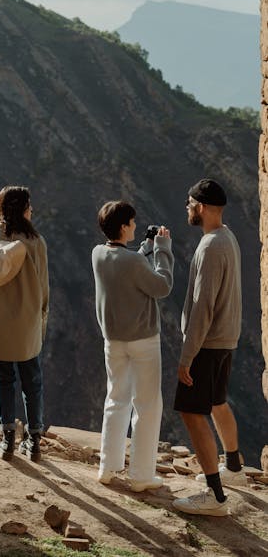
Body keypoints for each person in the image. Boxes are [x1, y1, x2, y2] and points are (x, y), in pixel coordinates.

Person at [173, 179, 245, 517]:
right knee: (217, 401)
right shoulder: (227, 238)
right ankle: (233, 467)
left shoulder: (209, 246)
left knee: (192, 412)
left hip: (208, 343)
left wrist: (187, 356)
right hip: (225, 339)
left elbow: (202, 306)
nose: (186, 208)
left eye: (189, 203)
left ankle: (214, 495)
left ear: (200, 206)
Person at [92, 201, 174, 492]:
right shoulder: (134, 262)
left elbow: (126, 266)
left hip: (113, 341)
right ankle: (141, 476)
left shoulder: (98, 254)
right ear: (124, 226)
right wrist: (162, 248)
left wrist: (144, 248)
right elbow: (162, 286)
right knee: (148, 404)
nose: (136, 226)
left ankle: (108, 466)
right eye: (133, 222)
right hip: (143, 341)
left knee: (116, 399)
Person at [0, 186, 49, 463]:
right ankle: (34, 440)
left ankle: (7, 440)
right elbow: (43, 287)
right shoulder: (35, 242)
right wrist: (41, 320)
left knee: (3, 380)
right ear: (24, 209)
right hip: (26, 324)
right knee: (32, 382)